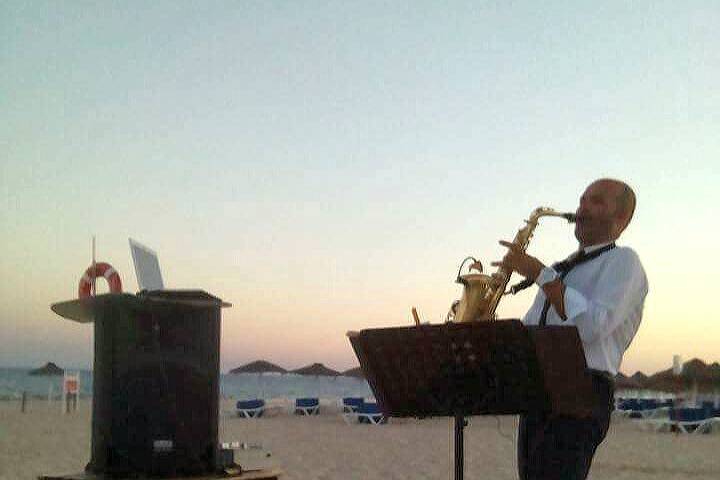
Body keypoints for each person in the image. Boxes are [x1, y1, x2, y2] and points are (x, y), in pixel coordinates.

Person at [493, 178, 648, 480]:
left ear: (622, 218)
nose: (582, 208)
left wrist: (540, 274)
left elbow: (591, 327)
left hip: (582, 390)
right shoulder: (560, 269)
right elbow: (530, 329)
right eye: (582, 200)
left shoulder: (624, 261)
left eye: (596, 201)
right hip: (538, 390)